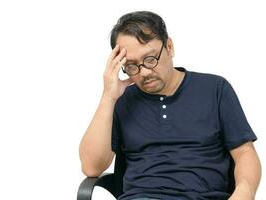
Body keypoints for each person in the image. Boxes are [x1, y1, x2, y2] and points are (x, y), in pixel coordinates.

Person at [79, 11, 261, 200]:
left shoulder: (215, 89)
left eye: (150, 59)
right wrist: (108, 96)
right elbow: (91, 167)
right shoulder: (121, 100)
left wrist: (244, 192)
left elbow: (244, 153)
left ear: (169, 47)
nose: (144, 73)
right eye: (132, 66)